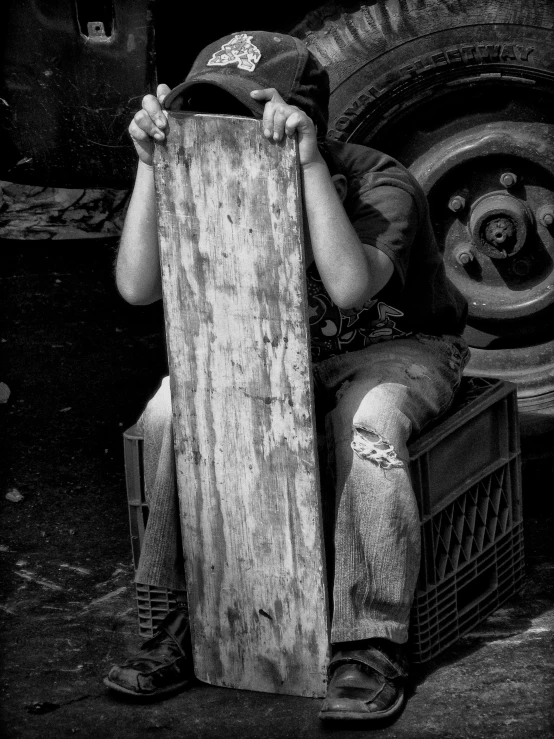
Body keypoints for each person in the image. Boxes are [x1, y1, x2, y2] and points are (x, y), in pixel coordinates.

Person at [106, 31, 469, 722]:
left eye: (250, 113)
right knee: (168, 413)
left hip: (395, 346)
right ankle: (177, 617)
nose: (232, 131)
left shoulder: (377, 181)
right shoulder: (198, 170)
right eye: (208, 111)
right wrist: (152, 163)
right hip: (275, 344)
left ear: (298, 118)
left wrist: (301, 165)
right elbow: (135, 285)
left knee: (365, 421)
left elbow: (350, 285)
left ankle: (369, 637)